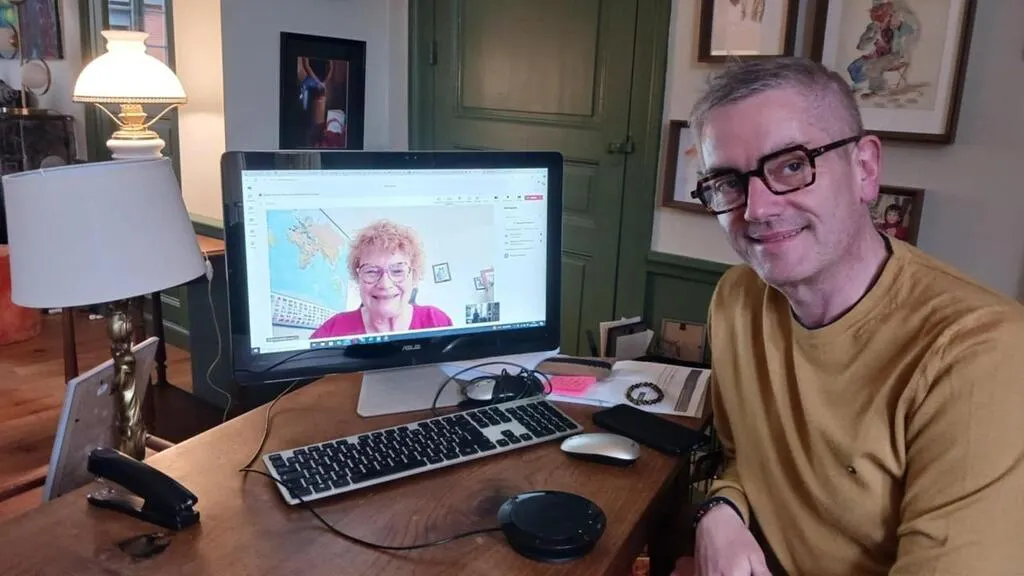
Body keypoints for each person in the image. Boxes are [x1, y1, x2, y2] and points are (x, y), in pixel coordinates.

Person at [676, 57, 1024, 576]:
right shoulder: (737, 299)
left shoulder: (982, 351)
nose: (756, 209)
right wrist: (721, 509)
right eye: (728, 181)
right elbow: (740, 458)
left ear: (865, 169)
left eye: (792, 166)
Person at [310, 219, 453, 338]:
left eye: (397, 271)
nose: (385, 284)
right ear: (358, 277)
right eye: (371, 271)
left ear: (413, 276)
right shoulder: (333, 330)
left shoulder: (436, 321)